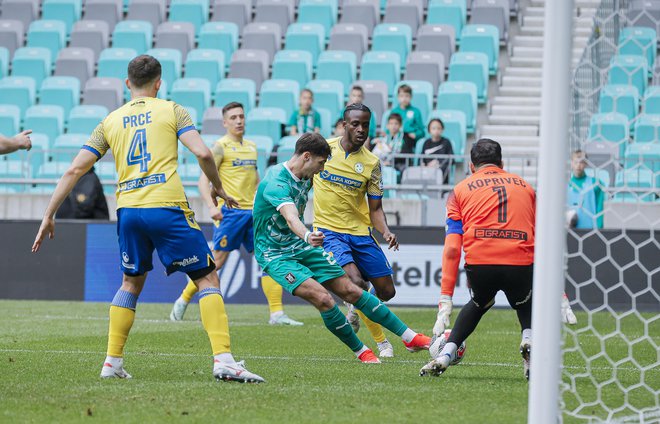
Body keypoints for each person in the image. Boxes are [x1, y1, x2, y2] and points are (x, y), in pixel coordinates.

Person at [31, 55, 264, 383]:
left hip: (128, 211)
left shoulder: (109, 121)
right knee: (208, 278)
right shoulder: (172, 109)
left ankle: (112, 362)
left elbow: (74, 169)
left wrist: (48, 214)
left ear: (128, 84)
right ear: (158, 83)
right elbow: (203, 153)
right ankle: (223, 359)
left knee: (130, 282)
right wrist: (221, 190)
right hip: (166, 205)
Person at [252, 132, 431, 364]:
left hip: (299, 246)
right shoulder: (276, 181)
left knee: (352, 290)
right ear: (307, 157)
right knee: (323, 298)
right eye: (321, 162)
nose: (322, 168)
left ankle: (410, 337)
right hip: (275, 253)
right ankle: (363, 352)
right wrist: (307, 234)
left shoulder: (306, 175)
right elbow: (290, 216)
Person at [170, 101, 303, 326]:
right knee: (216, 262)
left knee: (270, 259)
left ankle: (276, 314)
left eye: (241, 116)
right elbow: (204, 180)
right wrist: (211, 207)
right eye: (233, 118)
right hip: (231, 214)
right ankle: (182, 301)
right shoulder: (220, 146)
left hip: (253, 214)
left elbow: (257, 181)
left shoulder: (251, 147)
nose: (239, 121)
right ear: (224, 122)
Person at [420, 139, 536, 379]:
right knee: (526, 300)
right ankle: (528, 339)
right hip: (519, 261)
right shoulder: (526, 187)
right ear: (501, 163)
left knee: (480, 302)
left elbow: (453, 247)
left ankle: (445, 354)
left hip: (480, 263)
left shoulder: (459, 190)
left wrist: (445, 299)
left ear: (472, 166)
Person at [313, 103, 402, 358]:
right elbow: (300, 176)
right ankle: (382, 342)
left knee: (387, 291)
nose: (361, 129)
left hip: (360, 233)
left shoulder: (372, 163)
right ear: (344, 125)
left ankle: (354, 309)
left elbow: (375, 209)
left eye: (365, 124)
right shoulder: (323, 149)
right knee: (357, 284)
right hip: (329, 232)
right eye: (355, 124)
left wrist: (385, 231)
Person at [566, 150, 604, 229]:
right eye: (576, 162)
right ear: (571, 163)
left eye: (581, 162)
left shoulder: (595, 183)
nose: (578, 165)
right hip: (569, 230)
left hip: (589, 230)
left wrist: (599, 228)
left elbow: (600, 208)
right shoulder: (565, 185)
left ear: (586, 164)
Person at [421, 118, 454, 184]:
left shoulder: (446, 142)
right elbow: (422, 159)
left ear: (442, 129)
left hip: (441, 172)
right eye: (433, 128)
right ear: (429, 130)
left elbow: (452, 160)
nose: (436, 130)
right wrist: (427, 166)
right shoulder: (426, 143)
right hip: (427, 171)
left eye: (439, 128)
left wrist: (438, 163)